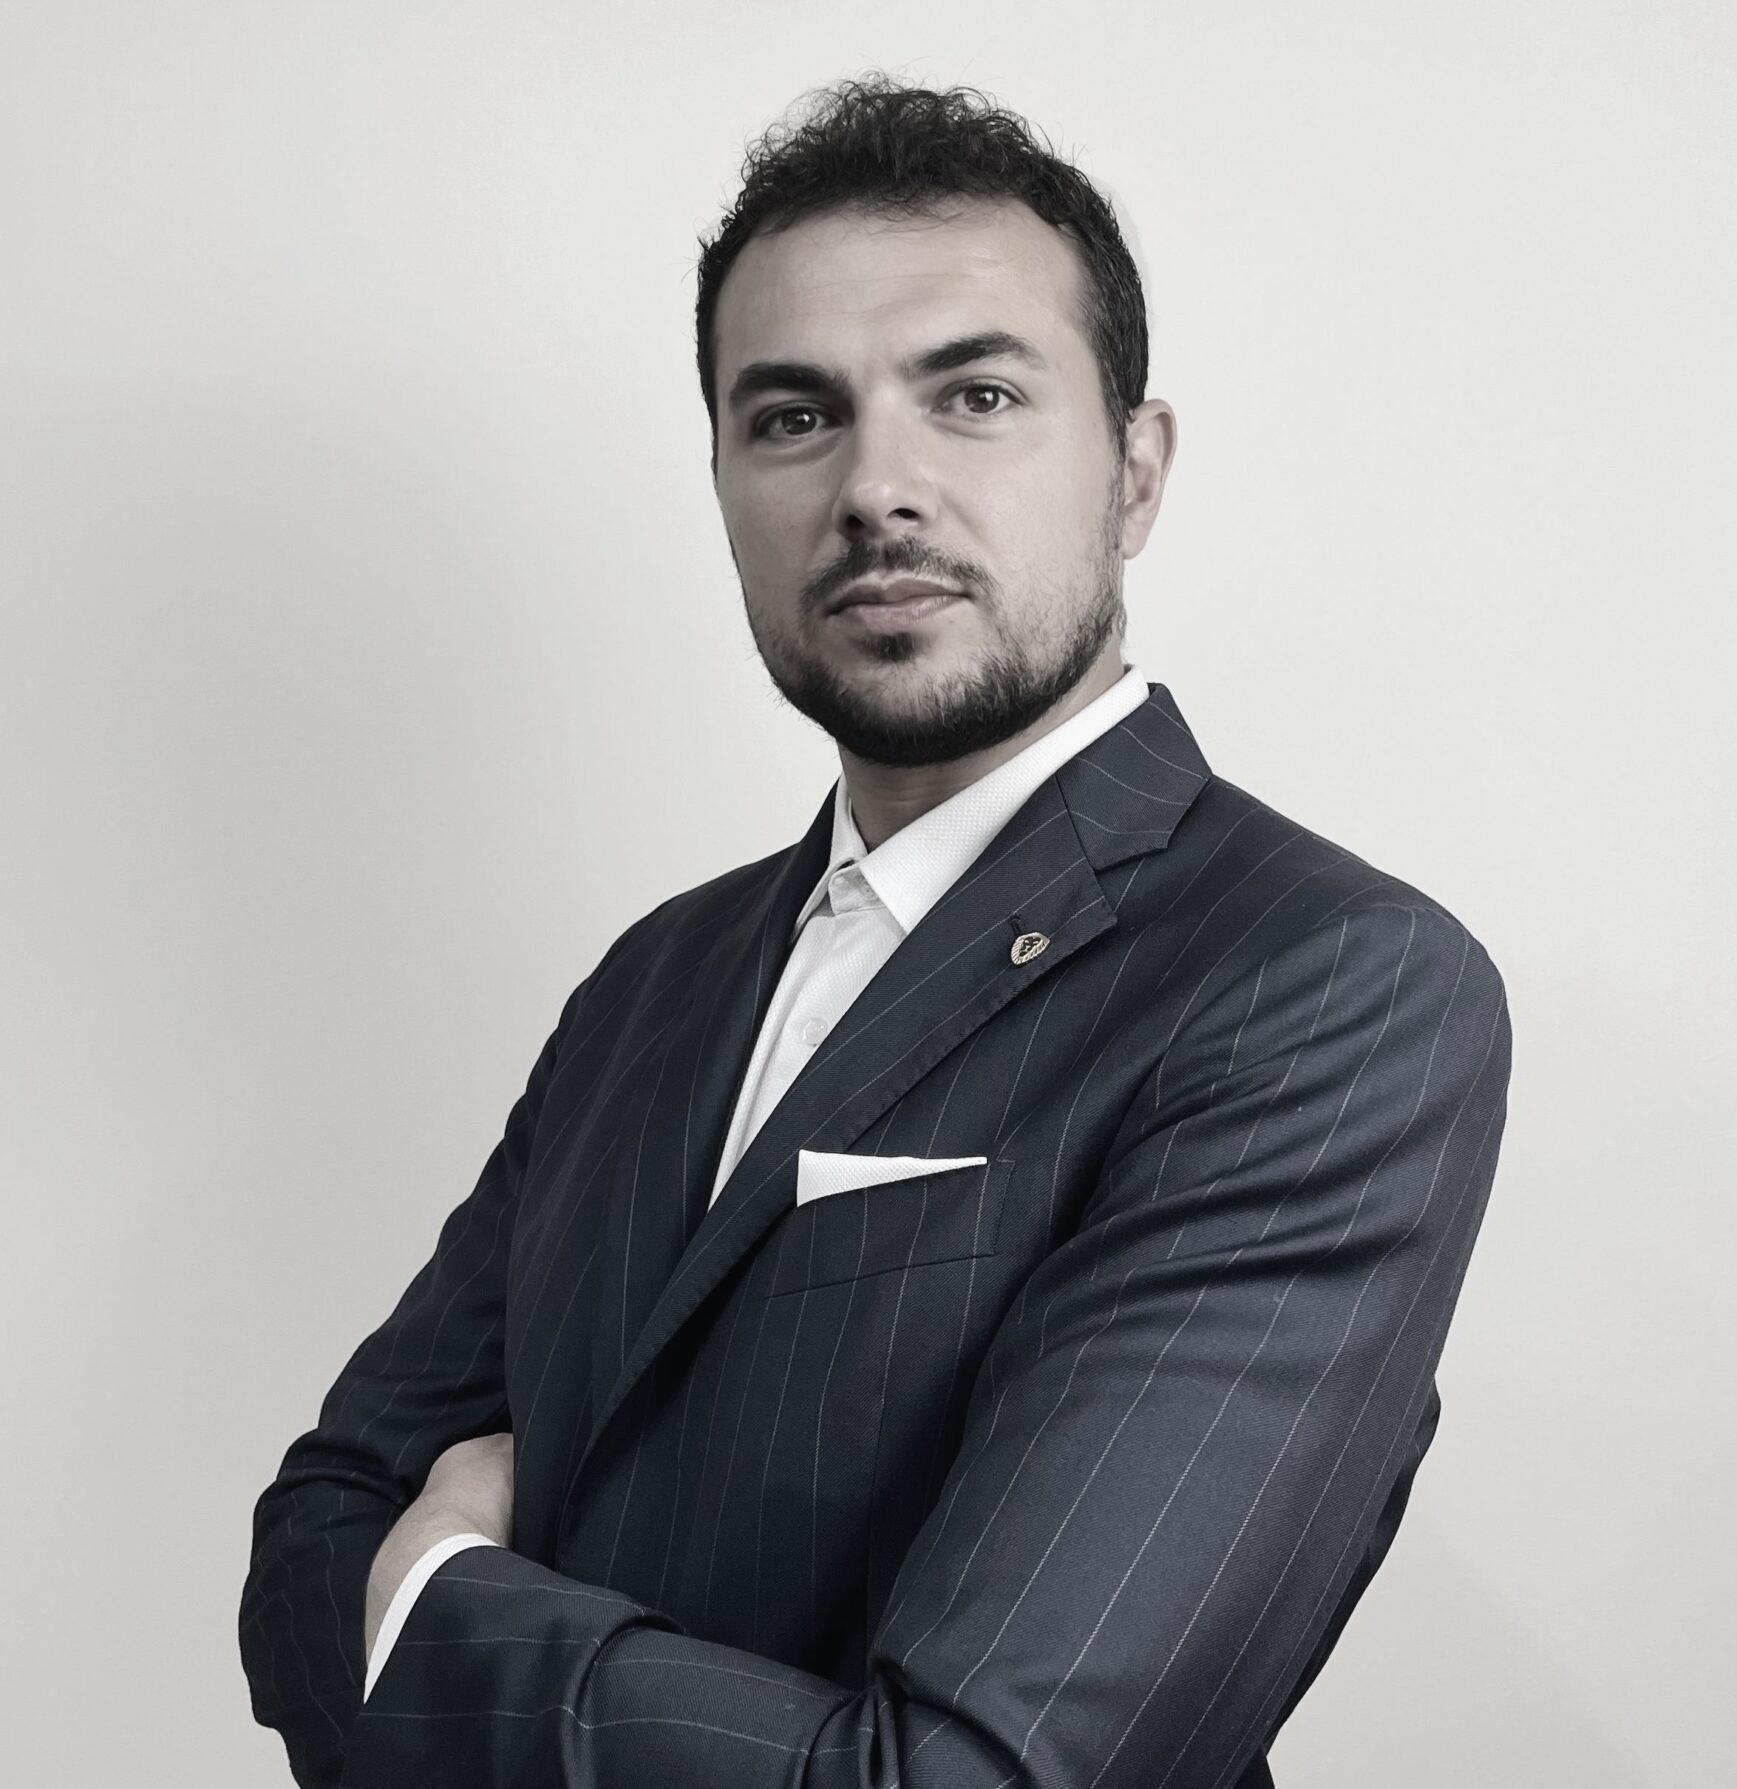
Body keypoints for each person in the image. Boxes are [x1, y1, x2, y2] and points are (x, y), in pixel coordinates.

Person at [239, 74, 1512, 1789]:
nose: (878, 486)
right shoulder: (656, 979)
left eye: (976, 395)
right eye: (793, 416)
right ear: (720, 479)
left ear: (1135, 472)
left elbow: (971, 1776)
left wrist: (444, 1597)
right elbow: (312, 1537)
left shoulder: (1325, 987)